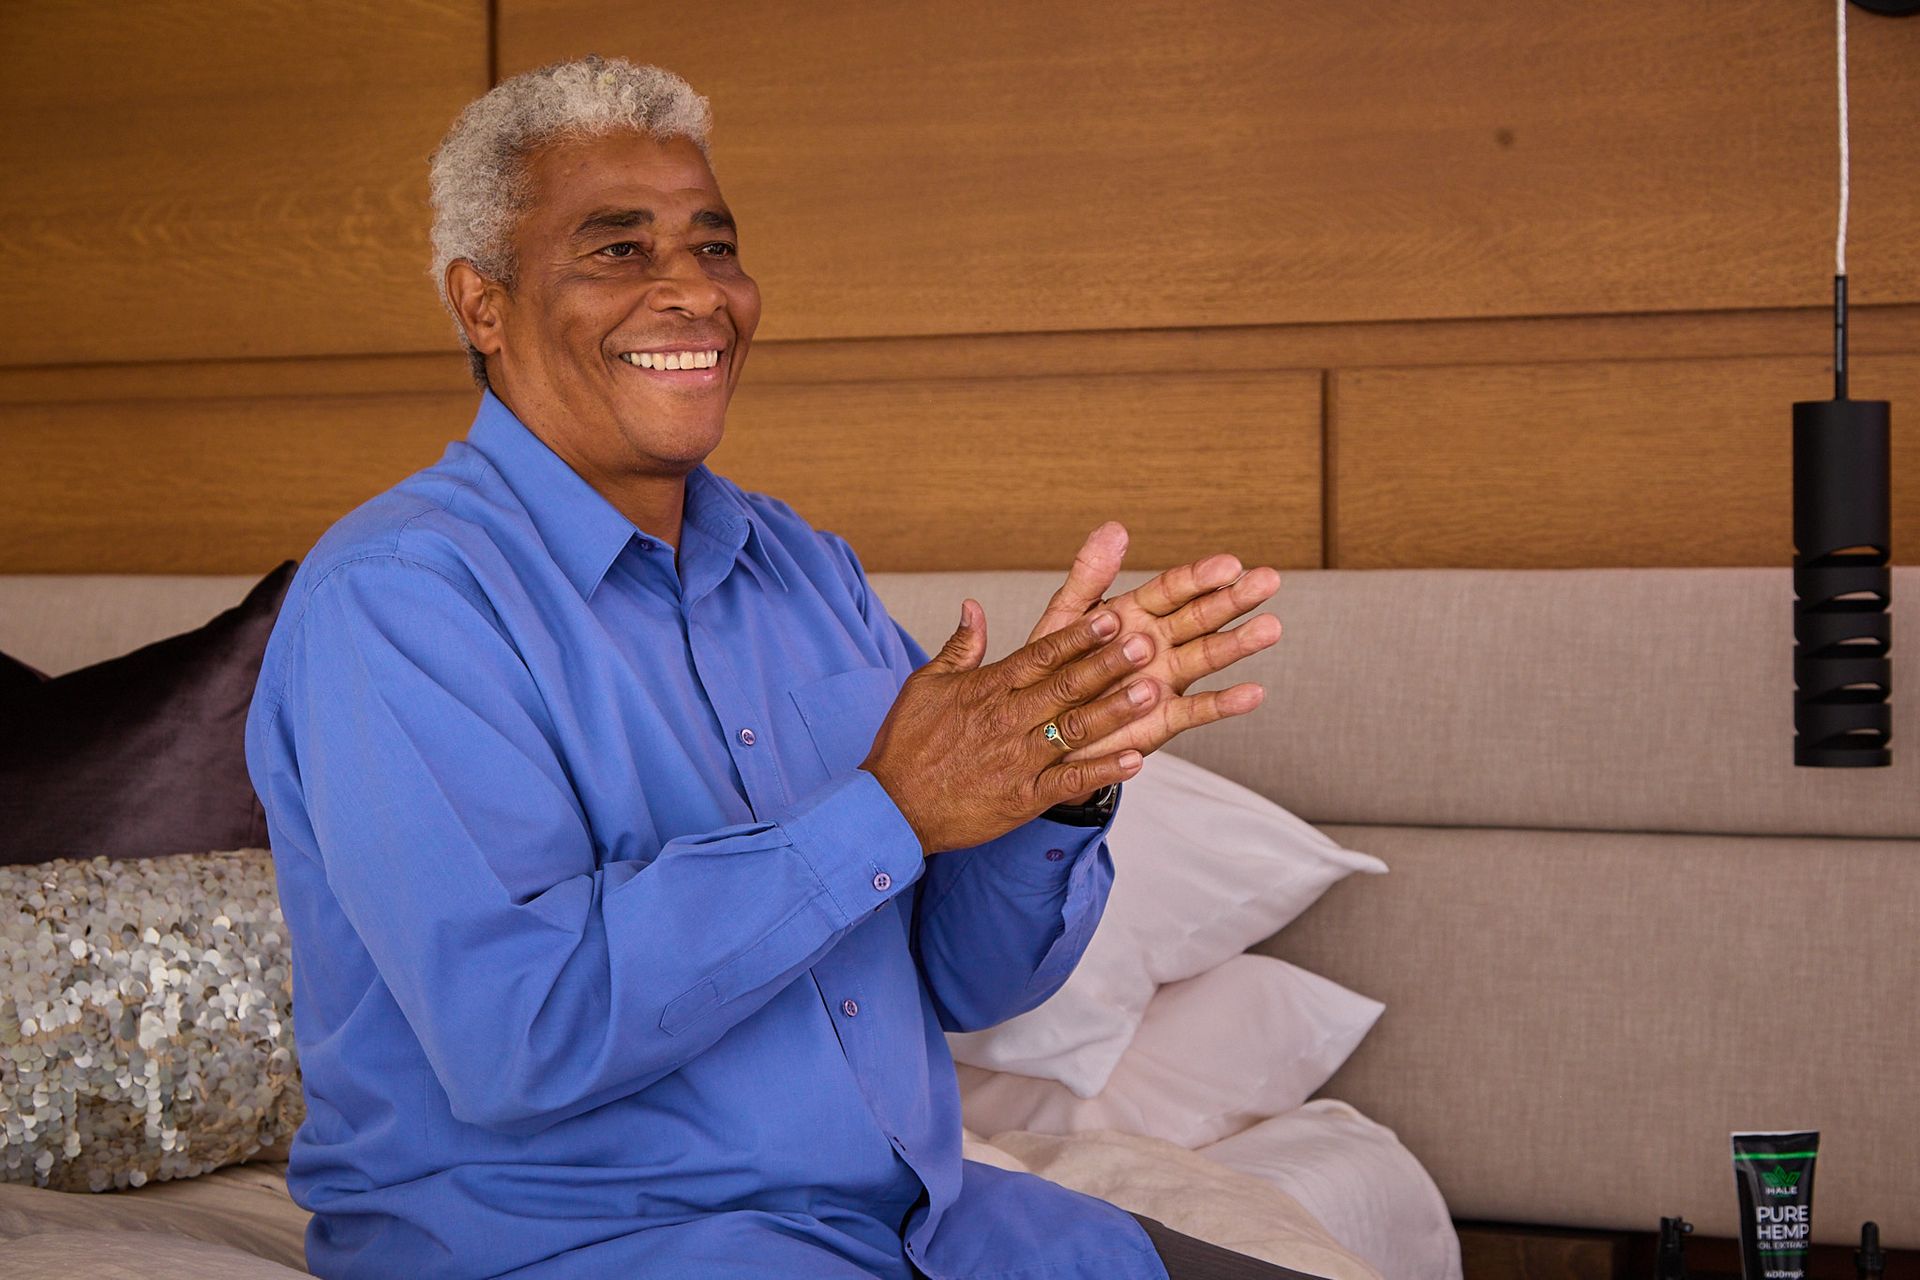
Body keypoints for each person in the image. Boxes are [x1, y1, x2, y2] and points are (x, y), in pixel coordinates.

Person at [244, 55, 1299, 1280]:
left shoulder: (803, 567)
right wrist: (890, 806)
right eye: (620, 250)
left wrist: (1059, 767)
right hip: (583, 1248)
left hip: (925, 1231)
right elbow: (516, 1031)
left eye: (714, 247)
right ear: (483, 305)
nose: (694, 293)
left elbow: (964, 975)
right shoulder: (401, 598)